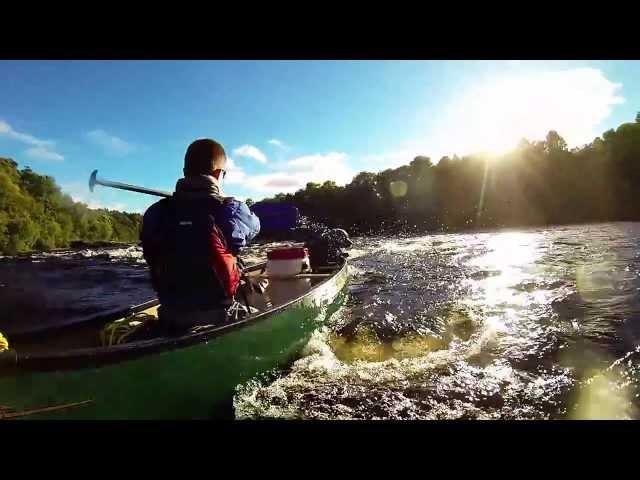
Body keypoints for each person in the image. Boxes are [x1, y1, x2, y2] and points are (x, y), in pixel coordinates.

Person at [141, 139, 260, 334]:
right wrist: (228, 200)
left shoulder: (155, 213)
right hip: (222, 316)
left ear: (184, 172)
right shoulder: (232, 210)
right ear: (218, 174)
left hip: (170, 317)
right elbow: (255, 227)